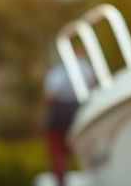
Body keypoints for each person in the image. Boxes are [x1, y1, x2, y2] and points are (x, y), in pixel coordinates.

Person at [44, 47, 94, 186]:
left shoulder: (56, 71)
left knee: (58, 151)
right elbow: (92, 85)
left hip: (61, 111)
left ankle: (62, 182)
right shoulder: (85, 68)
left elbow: (50, 94)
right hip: (80, 109)